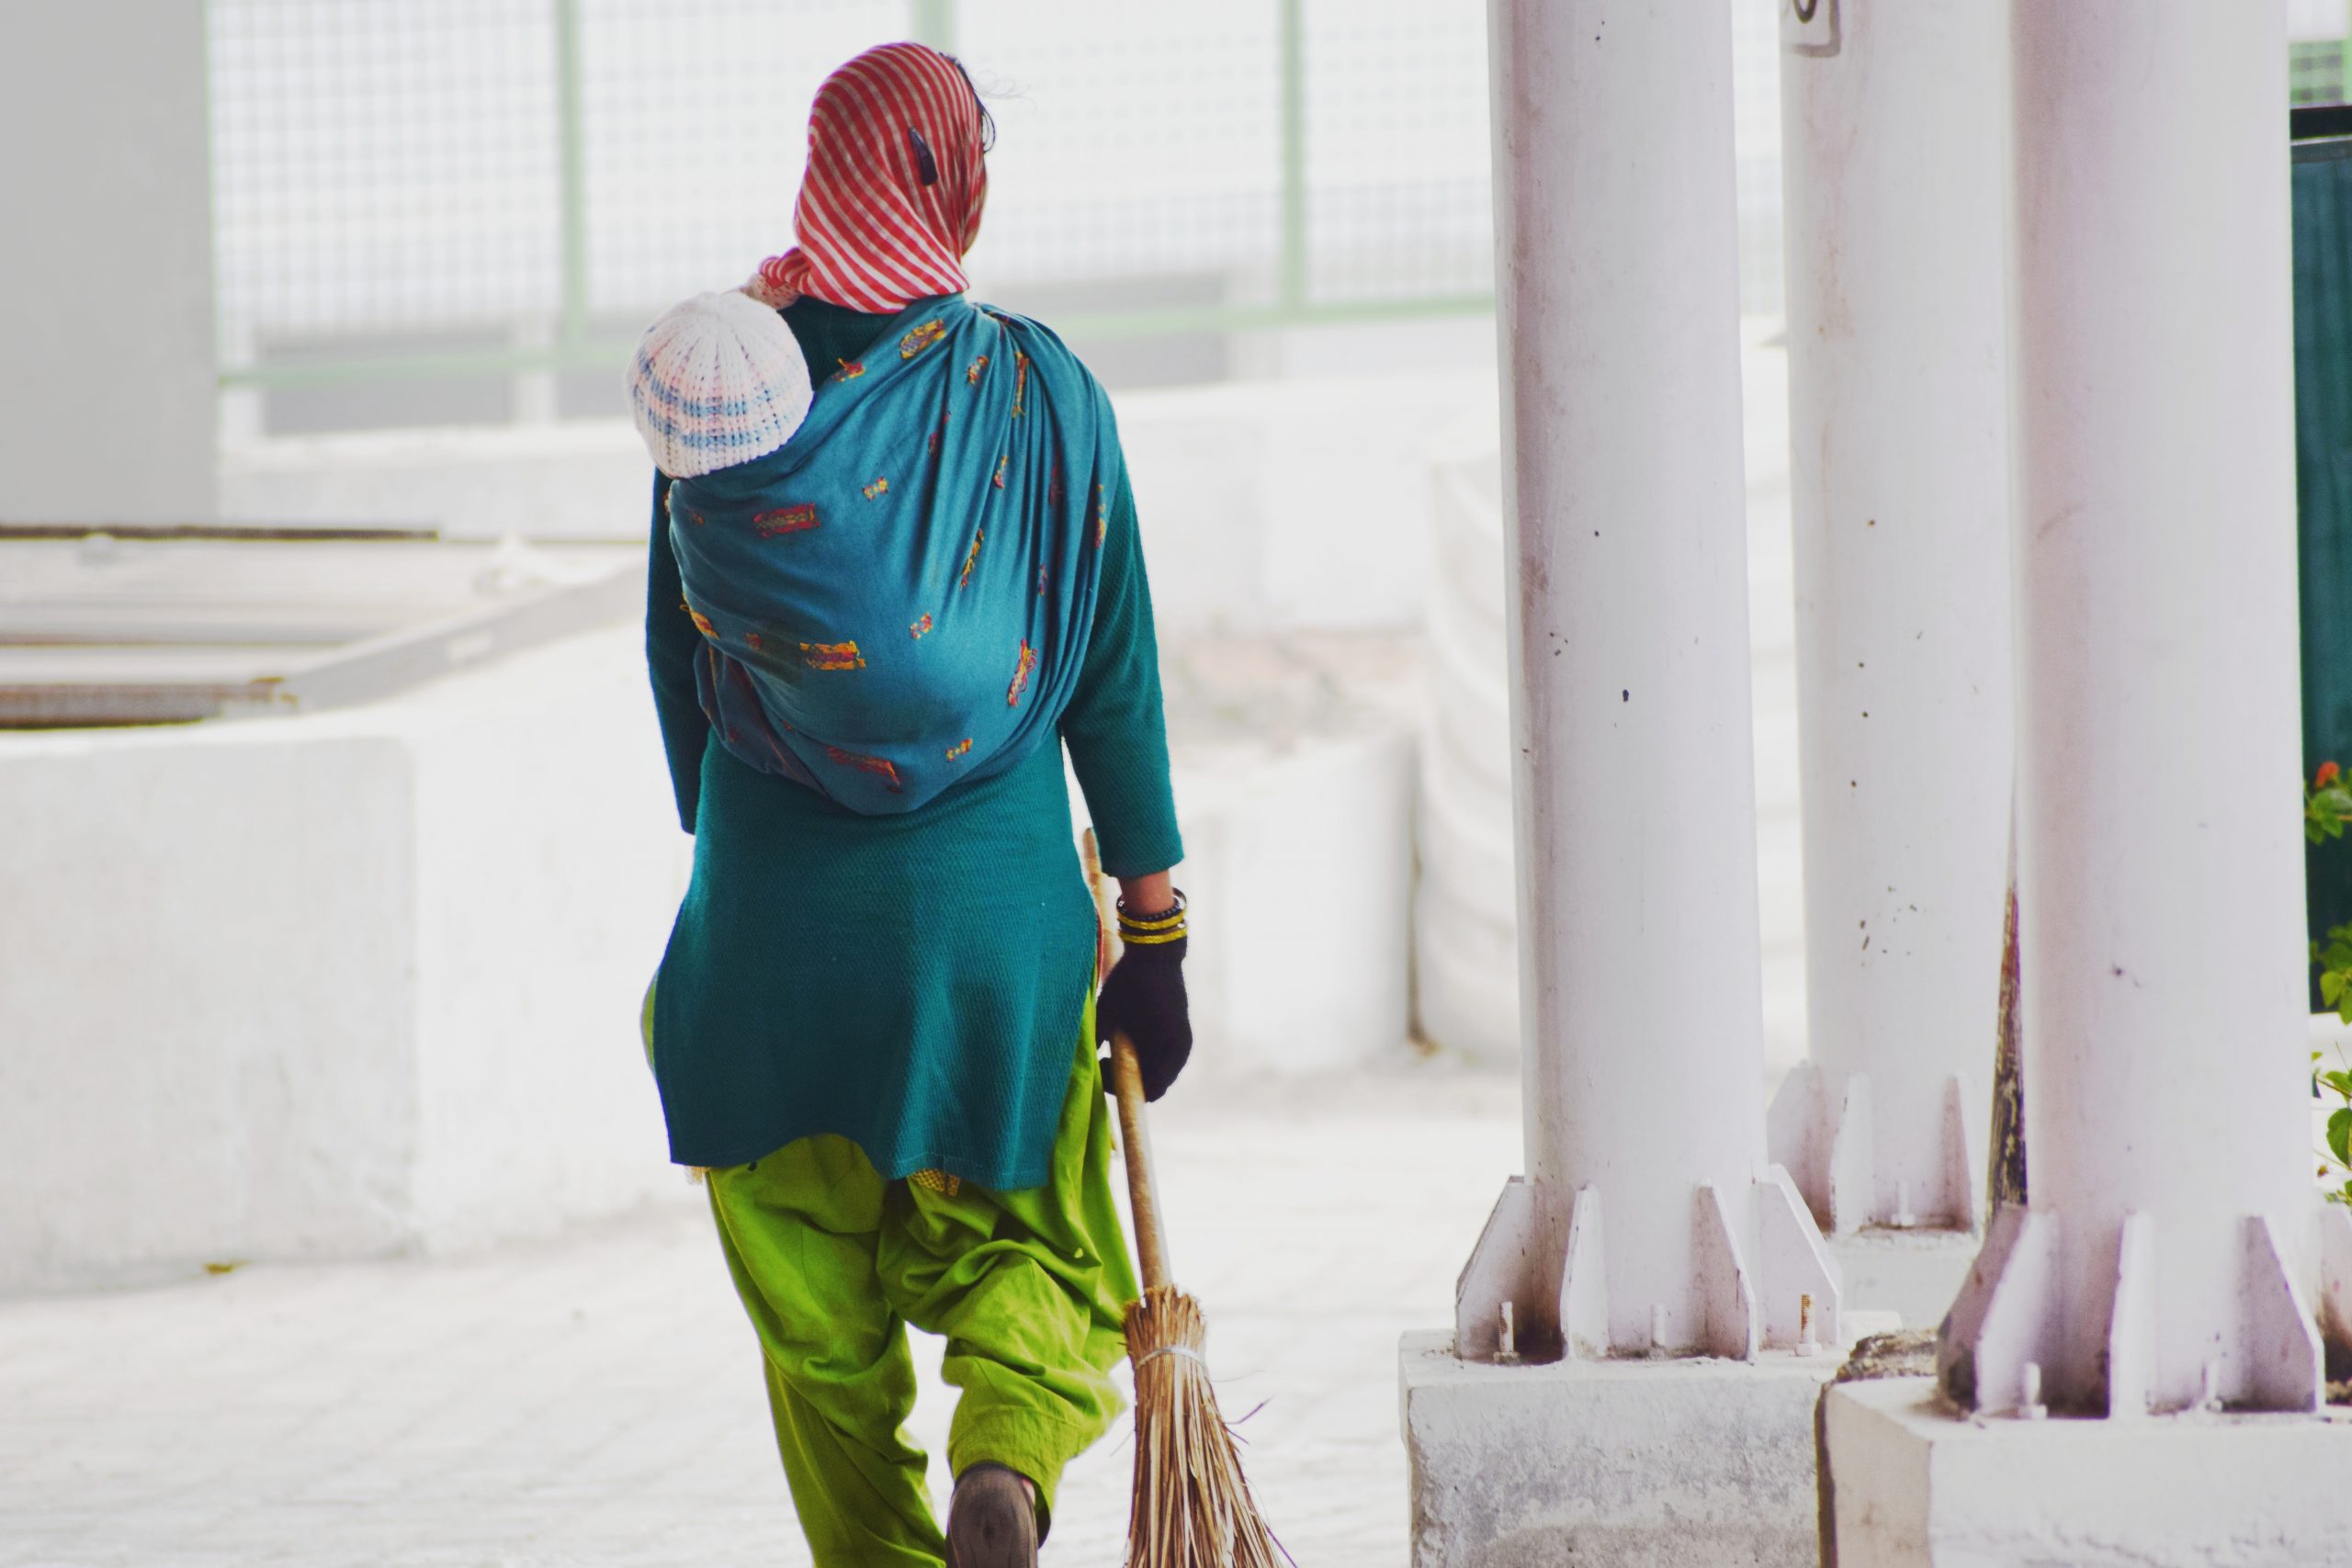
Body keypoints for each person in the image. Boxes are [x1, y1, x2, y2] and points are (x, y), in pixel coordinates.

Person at [628, 39, 1190, 1568]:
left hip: (769, 944)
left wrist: (742, 835)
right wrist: (1156, 928)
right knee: (1041, 1252)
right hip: (986, 941)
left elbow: (681, 671)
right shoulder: (1043, 394)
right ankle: (1005, 1457)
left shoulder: (725, 401)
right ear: (954, 185)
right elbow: (1114, 683)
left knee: (820, 1344)